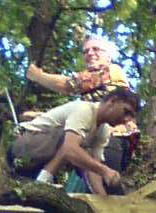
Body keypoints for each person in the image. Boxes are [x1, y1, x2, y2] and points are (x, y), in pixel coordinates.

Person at [24, 34, 140, 177]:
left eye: (96, 49)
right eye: (86, 51)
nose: (90, 53)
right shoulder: (89, 100)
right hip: (98, 143)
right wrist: (42, 117)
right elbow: (76, 116)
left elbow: (68, 85)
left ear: (108, 57)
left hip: (114, 139)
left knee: (103, 182)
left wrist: (37, 75)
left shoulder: (112, 70)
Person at [8, 87, 142, 195]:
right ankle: (42, 183)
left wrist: (103, 203)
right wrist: (105, 171)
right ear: (112, 101)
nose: (127, 119)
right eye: (126, 111)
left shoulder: (103, 131)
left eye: (131, 116)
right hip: (23, 147)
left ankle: (42, 182)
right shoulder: (84, 110)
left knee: (86, 156)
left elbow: (93, 169)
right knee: (73, 145)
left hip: (39, 161)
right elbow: (70, 149)